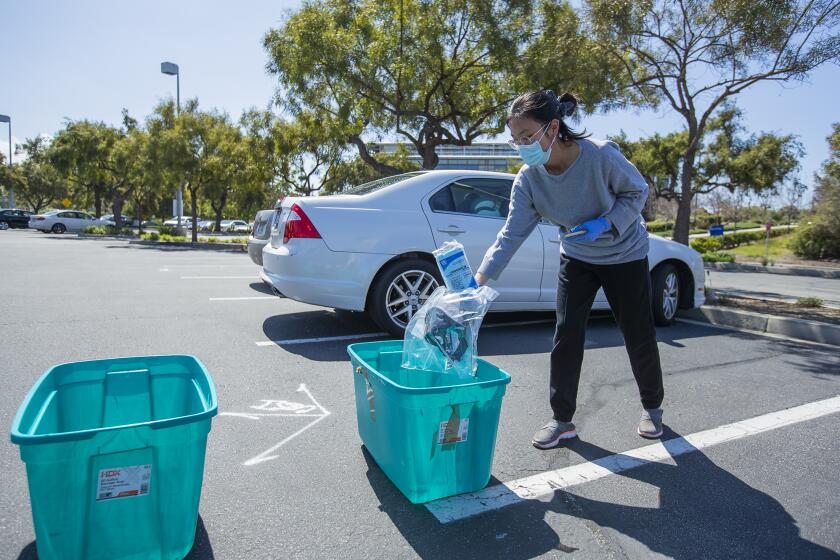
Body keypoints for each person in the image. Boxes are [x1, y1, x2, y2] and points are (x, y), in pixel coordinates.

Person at [474, 89, 665, 449]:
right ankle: (562, 420)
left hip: (624, 252)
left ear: (554, 127)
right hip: (577, 255)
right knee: (566, 336)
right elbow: (510, 235)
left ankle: (652, 410)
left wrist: (606, 223)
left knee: (637, 333)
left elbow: (637, 192)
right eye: (516, 141)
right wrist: (477, 281)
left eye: (527, 137)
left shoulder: (600, 154)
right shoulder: (529, 180)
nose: (522, 146)